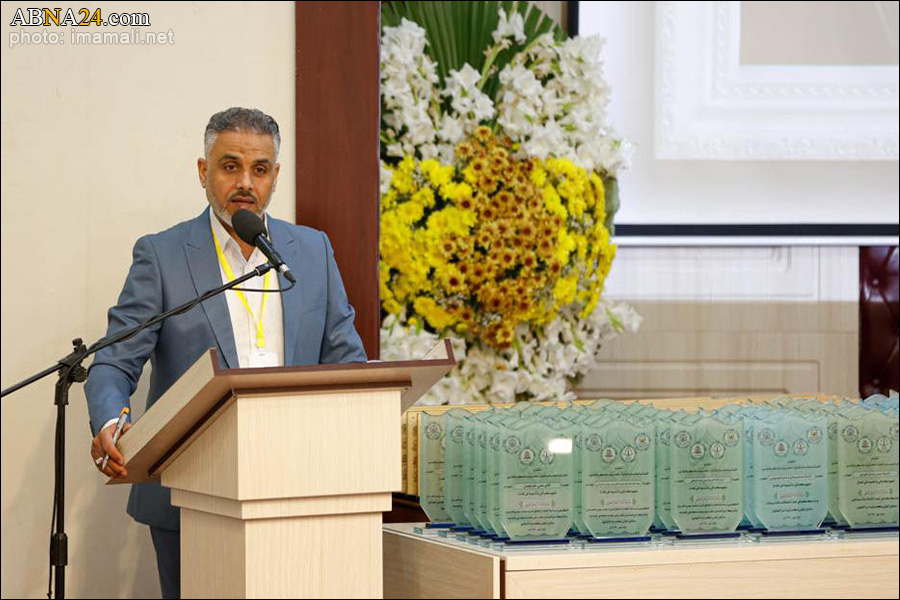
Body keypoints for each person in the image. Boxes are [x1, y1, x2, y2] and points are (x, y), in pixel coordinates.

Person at [85, 107, 367, 599]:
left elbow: (348, 365)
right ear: (203, 171)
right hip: (189, 492)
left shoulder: (313, 251)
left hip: (297, 489)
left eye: (260, 169)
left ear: (275, 175)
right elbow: (114, 360)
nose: (245, 183)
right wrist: (111, 420)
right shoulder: (162, 254)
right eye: (230, 166)